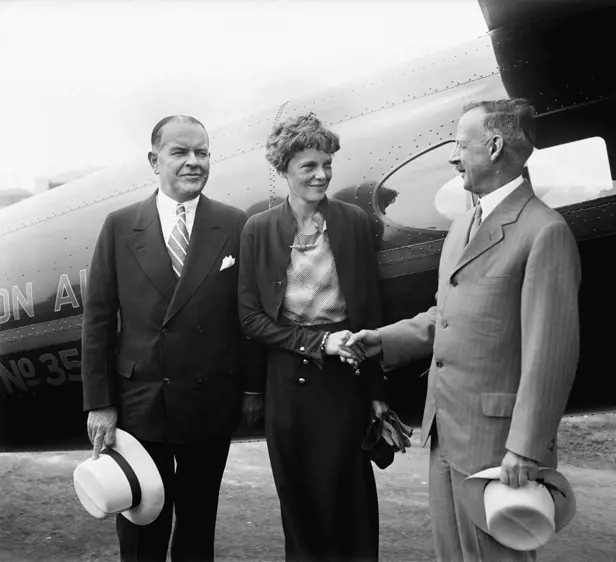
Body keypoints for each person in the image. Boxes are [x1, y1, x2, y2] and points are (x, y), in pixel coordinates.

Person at [347, 98, 581, 562]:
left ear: (494, 146)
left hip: (498, 443)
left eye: (460, 144)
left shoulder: (544, 231)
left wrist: (526, 448)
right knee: (452, 554)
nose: (453, 156)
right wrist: (383, 340)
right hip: (446, 429)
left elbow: (549, 354)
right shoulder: (464, 225)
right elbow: (446, 314)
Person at [82, 115, 265, 562]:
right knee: (143, 524)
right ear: (154, 159)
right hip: (142, 401)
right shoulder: (120, 226)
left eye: (202, 153)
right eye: (180, 152)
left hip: (210, 400)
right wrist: (100, 402)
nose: (193, 162)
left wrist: (251, 388)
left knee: (199, 525)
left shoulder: (232, 222)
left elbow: (246, 316)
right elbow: (99, 321)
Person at [238, 113, 388, 562]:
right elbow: (250, 319)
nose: (321, 175)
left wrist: (378, 391)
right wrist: (318, 344)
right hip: (287, 382)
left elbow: (372, 308)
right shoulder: (258, 230)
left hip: (346, 378)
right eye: (309, 166)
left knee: (352, 500)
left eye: (326, 164)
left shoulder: (354, 221)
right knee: (299, 503)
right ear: (283, 170)